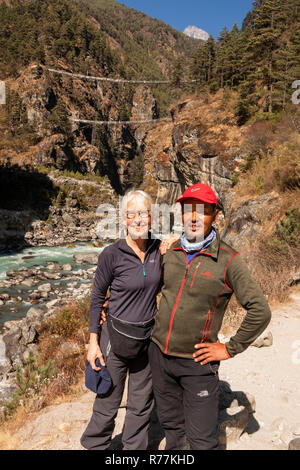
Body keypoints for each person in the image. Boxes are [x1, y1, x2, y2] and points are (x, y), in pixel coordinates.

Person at [148, 183, 272, 450]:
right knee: (173, 430)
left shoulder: (228, 260)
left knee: (202, 441)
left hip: (197, 364)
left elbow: (260, 310)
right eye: (188, 210)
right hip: (159, 357)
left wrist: (229, 349)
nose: (193, 217)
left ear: (214, 216)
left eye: (202, 211)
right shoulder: (171, 252)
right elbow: (146, 288)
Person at [80, 189, 162, 450]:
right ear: (124, 219)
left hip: (146, 341)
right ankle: (95, 446)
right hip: (113, 341)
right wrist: (93, 343)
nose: (138, 219)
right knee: (107, 401)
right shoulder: (111, 255)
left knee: (141, 405)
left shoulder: (160, 249)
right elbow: (96, 297)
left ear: (151, 217)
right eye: (132, 214)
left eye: (144, 213)